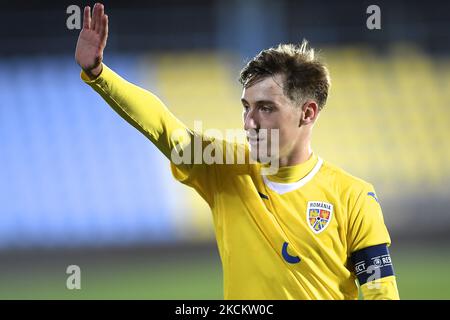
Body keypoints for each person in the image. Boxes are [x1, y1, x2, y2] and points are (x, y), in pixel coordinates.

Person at [75, 3, 400, 300]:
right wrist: (98, 74)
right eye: (246, 107)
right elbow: (163, 126)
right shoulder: (223, 169)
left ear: (308, 113)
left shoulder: (354, 197)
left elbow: (380, 292)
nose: (249, 122)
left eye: (266, 108)